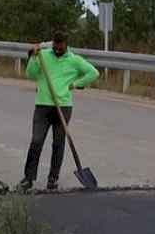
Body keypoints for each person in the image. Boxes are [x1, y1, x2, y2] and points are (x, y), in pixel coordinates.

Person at [19, 31, 99, 191]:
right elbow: (30, 74)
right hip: (42, 105)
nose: (56, 50)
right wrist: (34, 57)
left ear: (66, 45)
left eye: (60, 48)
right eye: (55, 47)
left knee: (58, 143)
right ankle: (28, 178)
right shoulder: (43, 55)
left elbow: (93, 73)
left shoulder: (74, 60)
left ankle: (53, 178)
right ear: (52, 43)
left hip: (63, 106)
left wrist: (76, 84)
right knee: (36, 141)